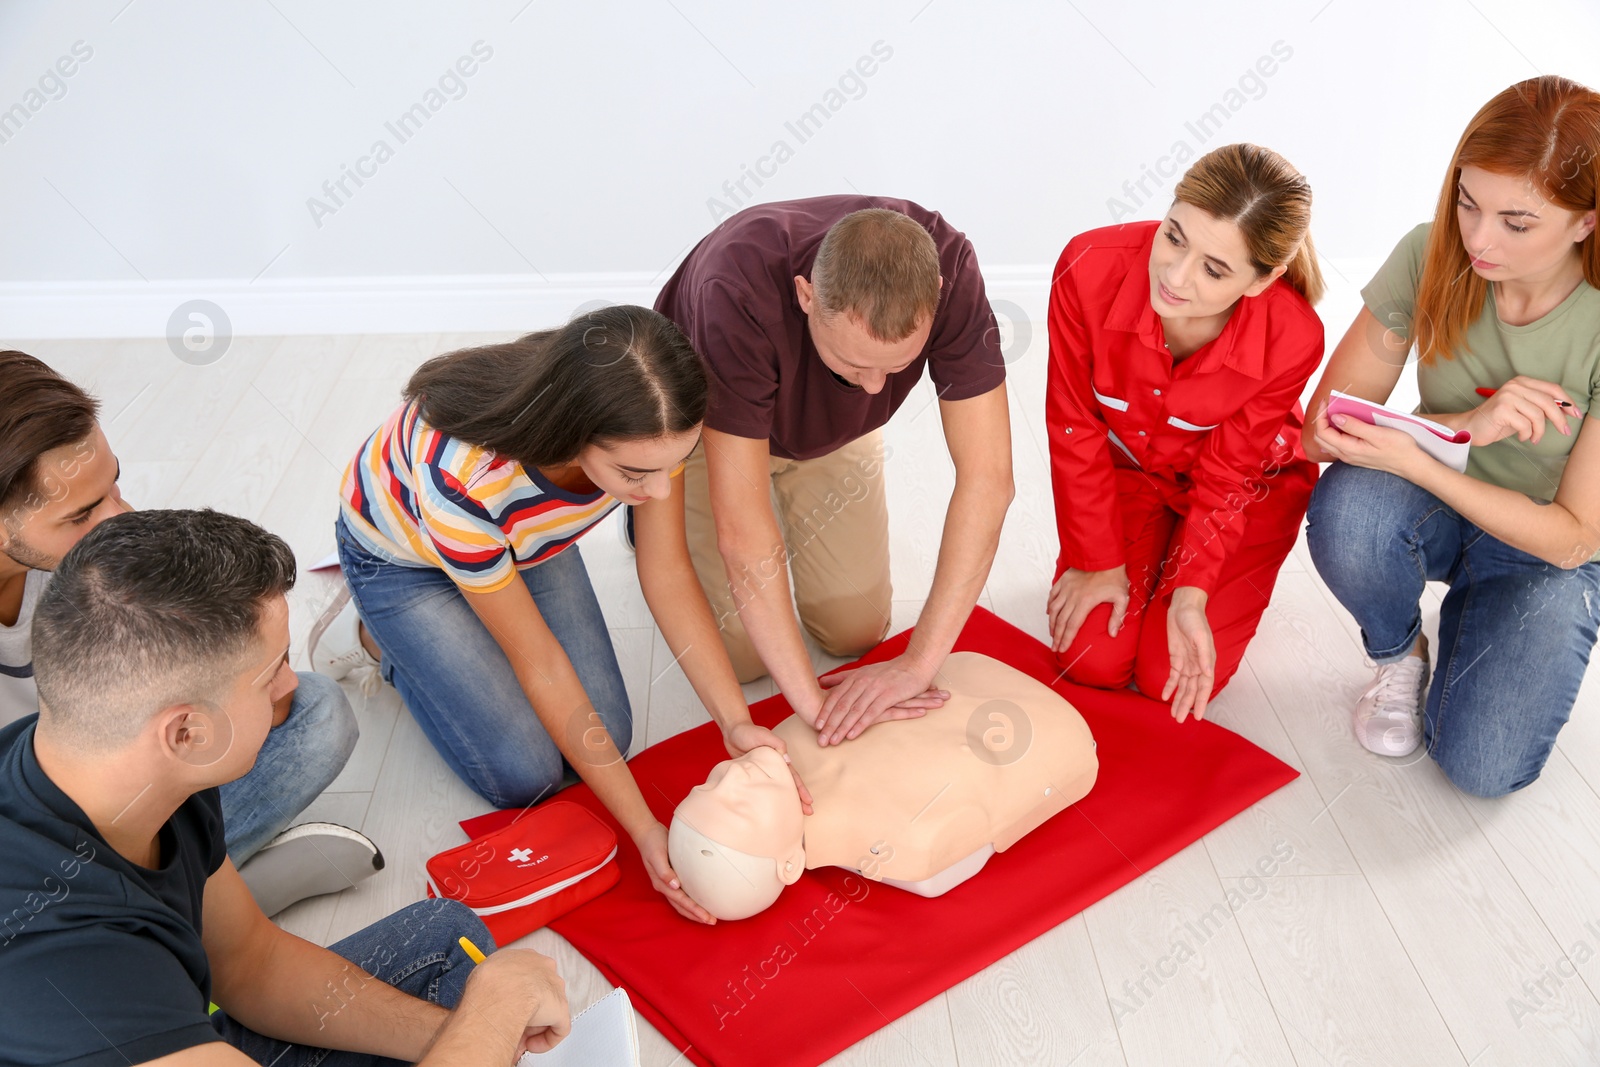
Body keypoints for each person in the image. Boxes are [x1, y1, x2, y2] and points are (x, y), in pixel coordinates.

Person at [0, 509, 569, 1066]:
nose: (291, 683)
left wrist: (465, 1038)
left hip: (173, 1025)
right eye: (272, 668)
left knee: (444, 936)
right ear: (185, 731)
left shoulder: (133, 768)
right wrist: (495, 1013)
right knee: (488, 995)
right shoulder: (63, 959)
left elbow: (253, 964)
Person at [312, 305, 805, 924]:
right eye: (635, 474)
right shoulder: (465, 477)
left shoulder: (650, 424)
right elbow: (539, 662)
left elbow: (668, 572)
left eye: (672, 467)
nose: (657, 493)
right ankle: (375, 636)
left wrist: (734, 724)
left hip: (522, 543)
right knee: (527, 775)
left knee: (607, 738)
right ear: (574, 435)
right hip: (402, 558)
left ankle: (441, 633)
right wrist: (644, 830)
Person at [0, 350, 379, 916]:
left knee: (318, 713)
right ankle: (197, 908)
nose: (120, 518)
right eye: (81, 515)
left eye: (115, 485)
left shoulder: (86, 564)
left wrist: (235, 686)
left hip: (128, 774)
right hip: (33, 845)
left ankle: (193, 905)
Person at [1302, 75, 1600, 794]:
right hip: (1437, 506)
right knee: (1348, 508)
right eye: (1468, 203)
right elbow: (1321, 431)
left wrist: (1429, 461)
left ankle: (1484, 619)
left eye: (1516, 222)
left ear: (1586, 222)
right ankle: (1400, 651)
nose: (1478, 238)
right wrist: (1465, 426)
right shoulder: (1429, 253)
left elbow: (1574, 537)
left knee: (1481, 768)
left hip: (1545, 553)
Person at [655, 195, 1014, 747]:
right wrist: (816, 708)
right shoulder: (734, 289)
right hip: (708, 425)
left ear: (938, 297)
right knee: (742, 657)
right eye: (854, 363)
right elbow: (743, 533)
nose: (875, 387)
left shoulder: (952, 268)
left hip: (827, 432)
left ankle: (803, 459)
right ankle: (650, 517)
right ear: (806, 295)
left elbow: (989, 481)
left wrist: (917, 663)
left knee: (856, 631)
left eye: (894, 367)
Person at [1045, 144, 1326, 722]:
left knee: (1163, 676)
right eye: (1174, 236)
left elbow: (1230, 473)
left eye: (1214, 268)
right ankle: (1140, 551)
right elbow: (1074, 427)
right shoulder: (1086, 265)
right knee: (1093, 658)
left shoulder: (1294, 335)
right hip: (1138, 472)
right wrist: (1097, 560)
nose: (1174, 276)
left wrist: (1191, 590)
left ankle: (1185, 573)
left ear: (1262, 279)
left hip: (1246, 491)